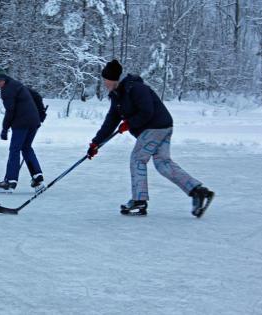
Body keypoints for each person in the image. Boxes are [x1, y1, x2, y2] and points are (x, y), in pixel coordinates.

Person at [87, 60, 214, 217]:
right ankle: (197, 190)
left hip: (156, 126)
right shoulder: (117, 96)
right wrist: (96, 143)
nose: (105, 83)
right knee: (163, 164)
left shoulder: (136, 88)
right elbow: (111, 121)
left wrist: (129, 123)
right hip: (160, 127)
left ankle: (139, 201)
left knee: (137, 159)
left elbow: (147, 111)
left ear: (115, 79)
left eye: (106, 80)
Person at [0, 68, 45, 192]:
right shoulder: (17, 84)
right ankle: (37, 176)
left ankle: (10, 181)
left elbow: (10, 111)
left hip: (21, 123)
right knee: (26, 147)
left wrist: (5, 129)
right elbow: (36, 96)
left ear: (5, 78)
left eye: (0, 81)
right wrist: (40, 113)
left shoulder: (7, 90)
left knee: (15, 149)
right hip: (33, 121)